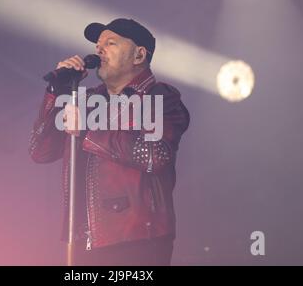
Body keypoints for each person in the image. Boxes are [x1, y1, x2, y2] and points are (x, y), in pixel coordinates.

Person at [29, 18, 190, 265]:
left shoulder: (160, 97)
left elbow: (154, 154)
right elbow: (40, 151)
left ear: (138, 55)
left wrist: (86, 130)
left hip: (137, 241)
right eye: (98, 44)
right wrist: (56, 90)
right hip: (83, 239)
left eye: (110, 43)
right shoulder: (86, 99)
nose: (98, 49)